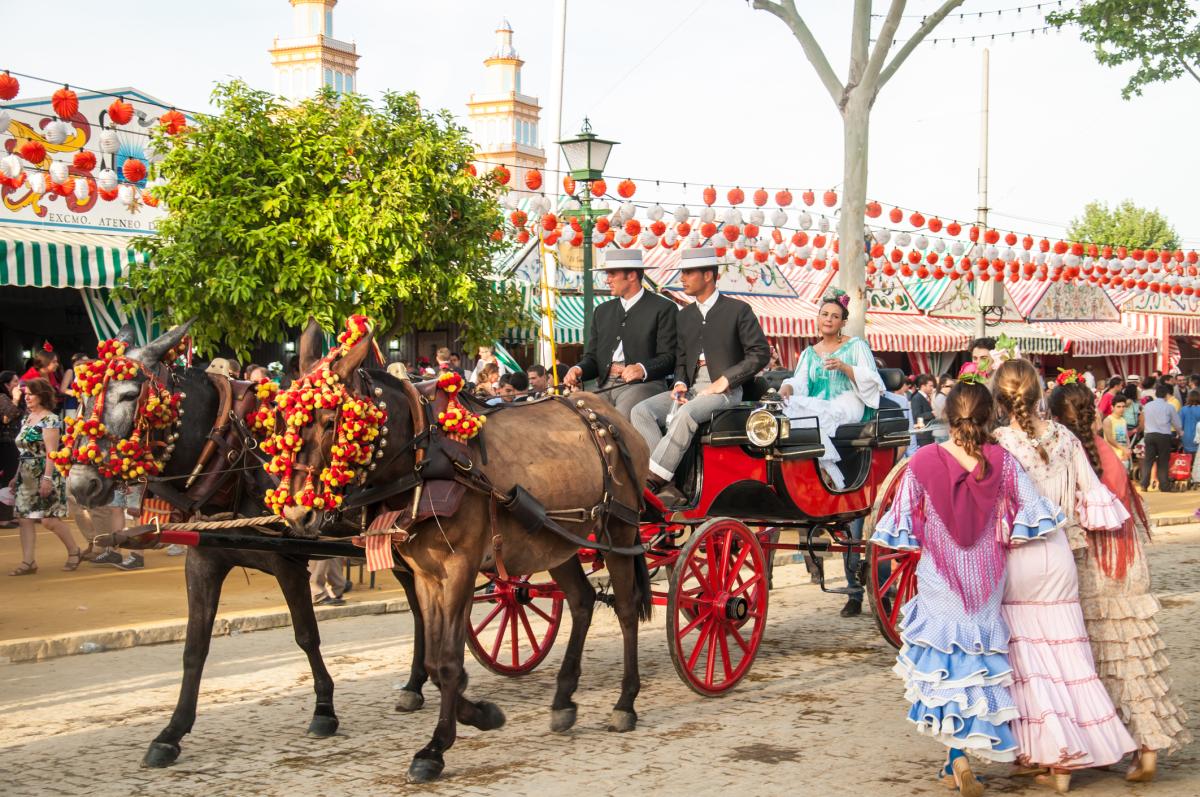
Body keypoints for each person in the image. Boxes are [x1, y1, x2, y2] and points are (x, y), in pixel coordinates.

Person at [872, 376, 1065, 797]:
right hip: (986, 576)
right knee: (976, 666)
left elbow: (904, 521)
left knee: (946, 667)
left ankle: (956, 757)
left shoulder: (922, 461)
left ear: (946, 414)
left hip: (940, 578)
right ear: (989, 414)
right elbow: (1032, 515)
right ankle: (956, 757)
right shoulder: (1002, 461)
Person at [992, 358, 1136, 792]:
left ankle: (1043, 753)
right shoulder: (1066, 439)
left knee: (1029, 661)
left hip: (1017, 556)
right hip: (1058, 554)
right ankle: (1067, 763)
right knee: (1070, 658)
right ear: (1040, 394)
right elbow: (1095, 498)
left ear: (1000, 398)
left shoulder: (999, 443)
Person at [1050, 381, 1192, 781]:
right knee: (1136, 660)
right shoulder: (1107, 454)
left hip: (1093, 568)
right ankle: (1147, 749)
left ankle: (1099, 742)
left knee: (1097, 663)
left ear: (1058, 419)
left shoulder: (1070, 455)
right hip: (1127, 565)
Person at [631, 247, 769, 504]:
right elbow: (682, 358)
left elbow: (760, 354)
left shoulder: (739, 310)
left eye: (688, 272)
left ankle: (652, 480)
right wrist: (681, 382)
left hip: (728, 391)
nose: (682, 278)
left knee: (686, 413)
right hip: (693, 388)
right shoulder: (684, 316)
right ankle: (666, 482)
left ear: (708, 275)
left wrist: (726, 380)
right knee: (641, 411)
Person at [778, 292, 884, 490]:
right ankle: (823, 470)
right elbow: (800, 382)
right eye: (825, 314)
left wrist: (845, 367)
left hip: (847, 403)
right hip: (819, 404)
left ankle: (831, 473)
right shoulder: (809, 353)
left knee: (806, 415)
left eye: (835, 316)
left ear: (843, 322)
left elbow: (872, 379)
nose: (829, 319)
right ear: (818, 318)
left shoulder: (856, 345)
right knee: (785, 406)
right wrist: (788, 387)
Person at [564, 249, 678, 418]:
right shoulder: (602, 311)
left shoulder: (664, 308)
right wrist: (578, 369)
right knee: (574, 418)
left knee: (618, 421)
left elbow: (670, 356)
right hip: (602, 386)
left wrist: (642, 368)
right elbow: (593, 358)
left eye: (611, 274)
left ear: (631, 276)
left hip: (644, 385)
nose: (607, 280)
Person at [7, 378, 86, 575]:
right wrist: (16, 475)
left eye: (30, 394)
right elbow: (23, 451)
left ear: (41, 395)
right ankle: (28, 562)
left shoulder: (50, 419)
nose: (26, 398)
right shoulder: (27, 418)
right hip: (25, 473)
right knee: (24, 518)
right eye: (25, 395)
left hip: (44, 471)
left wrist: (47, 479)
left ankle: (74, 550)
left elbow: (51, 453)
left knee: (49, 520)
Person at [1140, 383, 1181, 492]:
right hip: (1163, 436)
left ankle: (1144, 484)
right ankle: (1164, 486)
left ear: (1156, 394)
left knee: (1148, 460)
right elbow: (1177, 423)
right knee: (1163, 461)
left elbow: (1143, 420)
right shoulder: (1169, 407)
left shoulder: (1148, 406)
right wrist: (1180, 432)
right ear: (1166, 395)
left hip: (1149, 435)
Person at [0, 371, 22, 528]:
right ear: (6, 384)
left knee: (10, 478)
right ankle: (3, 517)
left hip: (9, 443)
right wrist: (15, 399)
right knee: (7, 478)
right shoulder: (2, 398)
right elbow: (6, 418)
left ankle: (8, 514)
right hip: (5, 444)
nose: (18, 384)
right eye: (15, 381)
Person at [1101, 393, 1132, 470]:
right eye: (1118, 407)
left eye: (1123, 407)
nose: (1121, 409)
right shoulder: (1108, 420)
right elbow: (1109, 438)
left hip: (1123, 455)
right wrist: (1123, 449)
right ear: (1112, 407)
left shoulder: (1123, 420)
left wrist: (1128, 449)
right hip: (1112, 455)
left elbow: (1126, 436)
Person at [907, 375, 936, 450]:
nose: (932, 388)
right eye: (930, 386)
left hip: (928, 433)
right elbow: (917, 416)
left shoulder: (925, 397)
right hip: (923, 435)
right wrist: (932, 414)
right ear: (923, 386)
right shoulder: (917, 398)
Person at [929, 375, 954, 444]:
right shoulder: (940, 397)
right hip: (942, 431)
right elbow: (946, 414)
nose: (952, 388)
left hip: (942, 431)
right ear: (942, 386)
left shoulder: (940, 396)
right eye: (950, 386)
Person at [1179, 390, 1200, 459]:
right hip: (1198, 438)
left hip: (1186, 437)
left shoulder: (1183, 409)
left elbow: (1180, 425)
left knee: (1187, 461)